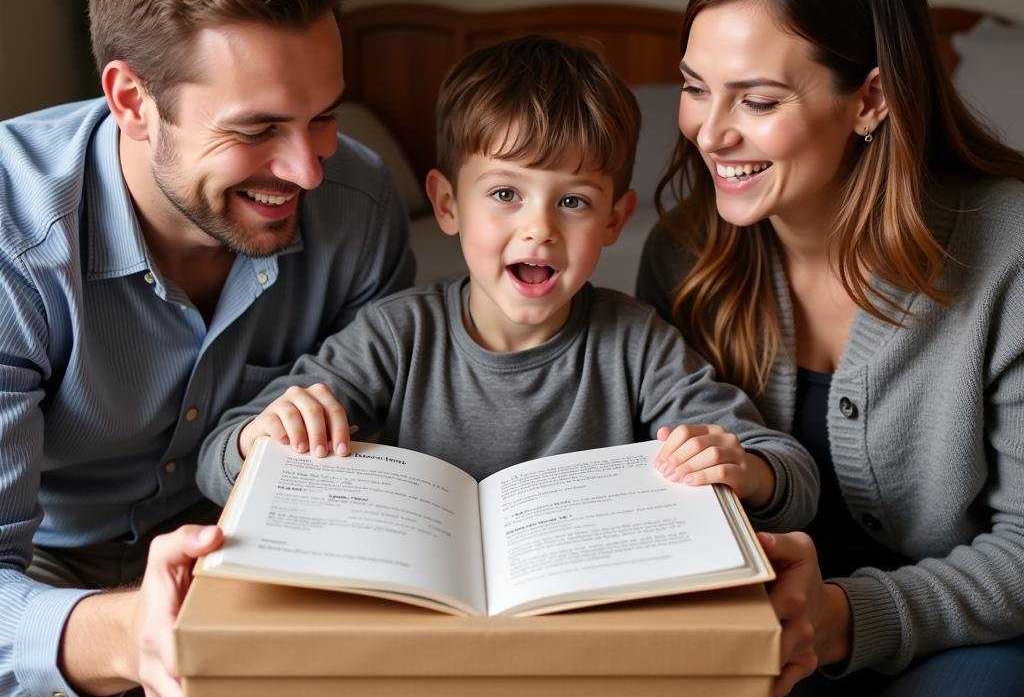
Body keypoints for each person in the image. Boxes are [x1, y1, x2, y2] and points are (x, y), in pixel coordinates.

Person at [0, 0, 414, 697]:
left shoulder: (363, 201)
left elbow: (379, 442)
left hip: (265, 566)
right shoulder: (10, 235)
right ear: (131, 100)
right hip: (46, 582)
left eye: (325, 117)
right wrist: (132, 634)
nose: (306, 170)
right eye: (258, 128)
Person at [636, 0, 1024, 697]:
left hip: (971, 633)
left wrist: (845, 615)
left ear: (872, 99)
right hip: (764, 633)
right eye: (696, 86)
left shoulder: (1011, 256)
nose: (710, 131)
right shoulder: (684, 258)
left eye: (759, 100)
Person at [197, 35, 819, 539]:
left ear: (613, 221)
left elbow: (791, 476)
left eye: (573, 201)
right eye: (504, 195)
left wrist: (747, 470)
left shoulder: (637, 346)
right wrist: (263, 436)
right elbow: (218, 459)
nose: (539, 228)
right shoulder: (397, 335)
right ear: (446, 204)